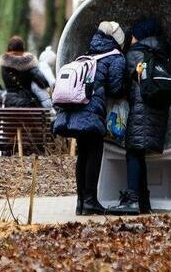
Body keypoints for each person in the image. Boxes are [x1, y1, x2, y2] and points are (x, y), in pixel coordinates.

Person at [53, 22, 126, 215]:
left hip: (75, 111)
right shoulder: (115, 58)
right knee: (94, 153)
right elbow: (117, 89)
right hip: (92, 112)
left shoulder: (88, 54)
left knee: (83, 155)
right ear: (118, 40)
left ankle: (81, 202)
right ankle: (91, 201)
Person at [110, 17, 170, 215]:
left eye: (134, 34)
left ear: (141, 35)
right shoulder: (161, 53)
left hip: (139, 109)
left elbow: (120, 85)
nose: (131, 37)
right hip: (157, 111)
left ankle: (133, 200)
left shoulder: (135, 54)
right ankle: (144, 202)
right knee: (139, 152)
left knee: (134, 152)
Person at [0, 36, 49, 107]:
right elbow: (43, 82)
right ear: (22, 48)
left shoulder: (4, 65)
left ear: (8, 48)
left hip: (9, 102)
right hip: (28, 102)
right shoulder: (29, 63)